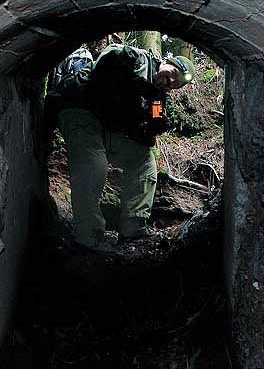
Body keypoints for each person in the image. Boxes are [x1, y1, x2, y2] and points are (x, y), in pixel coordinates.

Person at [49, 42, 194, 250]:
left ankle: (133, 227)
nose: (169, 82)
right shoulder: (140, 60)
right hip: (79, 108)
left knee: (144, 159)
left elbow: (154, 119)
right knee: (93, 162)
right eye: (172, 74)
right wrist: (132, 84)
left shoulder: (156, 96)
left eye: (175, 83)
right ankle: (88, 237)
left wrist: (150, 127)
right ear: (166, 62)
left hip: (105, 126)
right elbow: (110, 57)